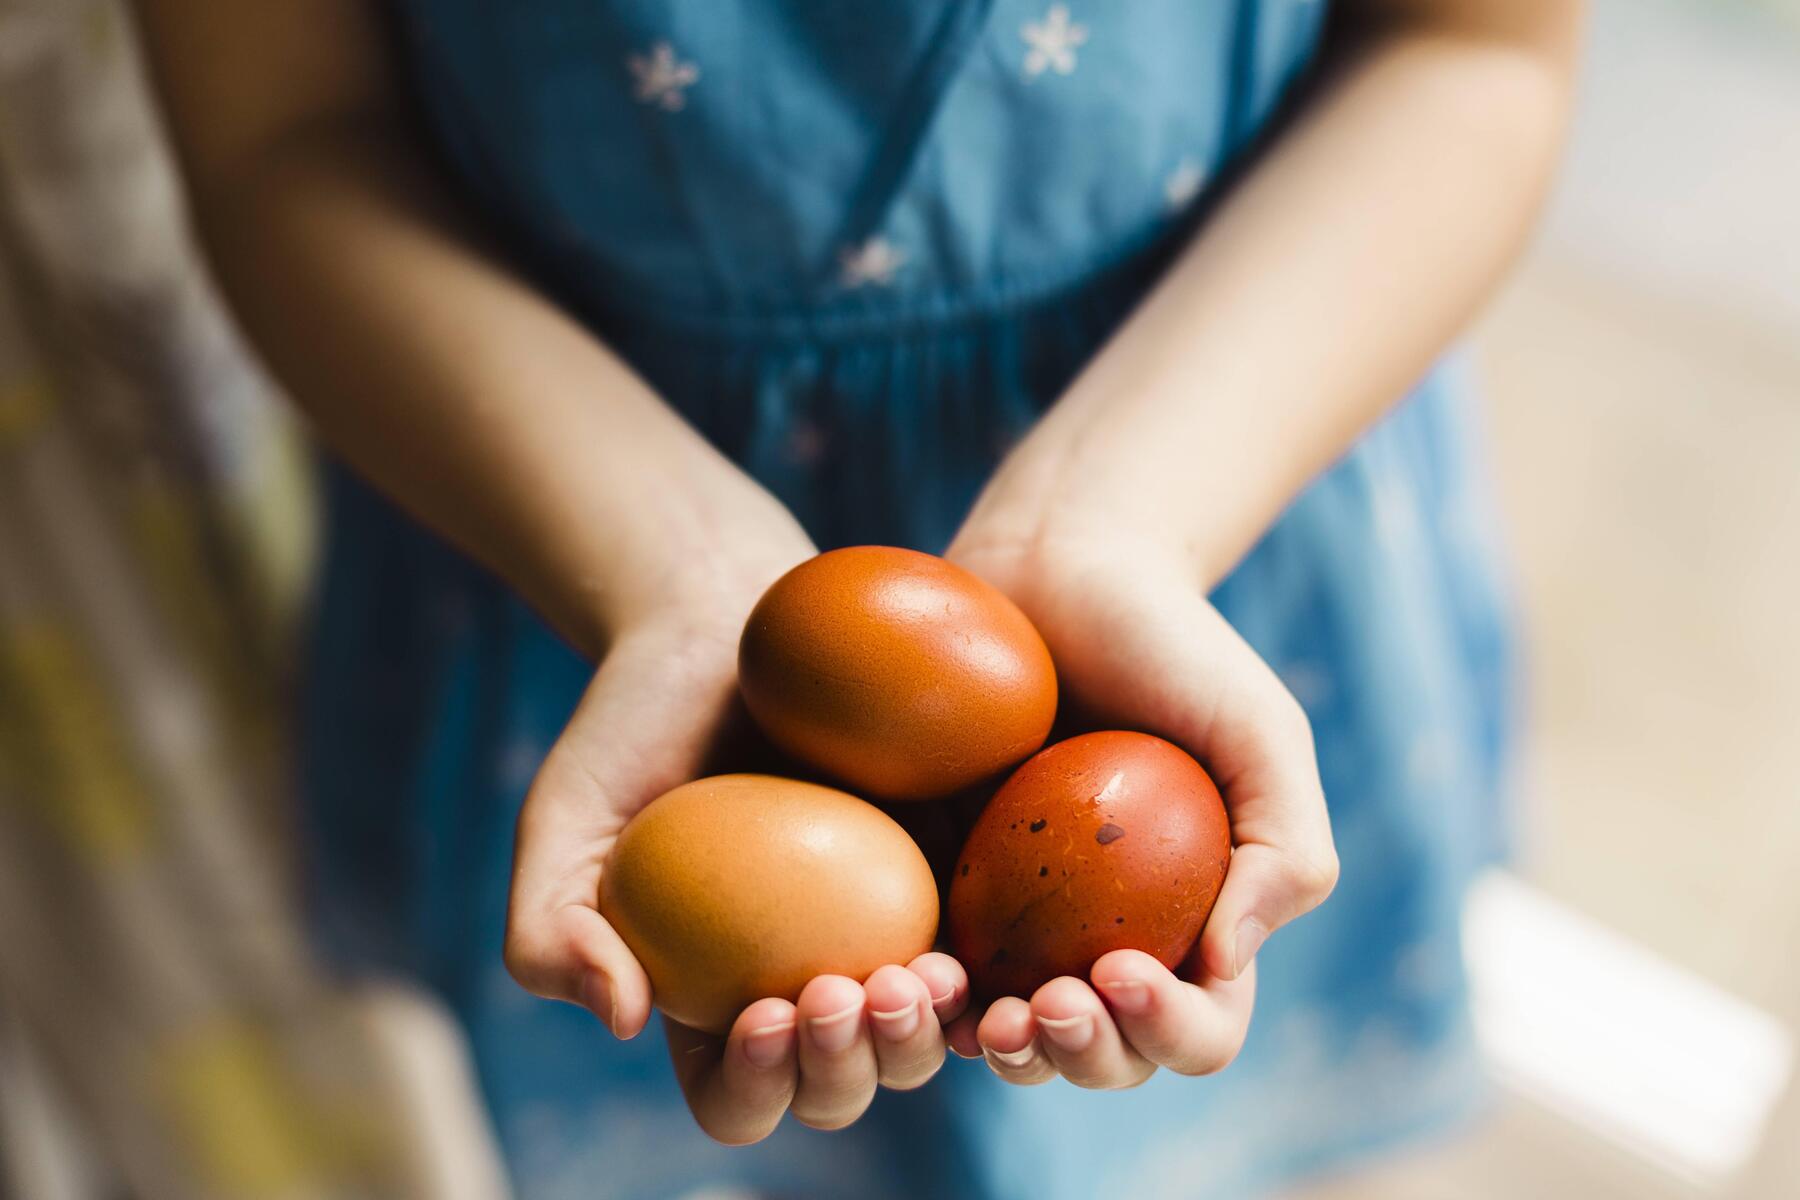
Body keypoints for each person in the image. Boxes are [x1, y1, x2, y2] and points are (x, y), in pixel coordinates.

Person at [137, 1, 1579, 1196]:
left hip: (1218, 432)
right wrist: (669, 569)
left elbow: (1471, 48)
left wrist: (1114, 526)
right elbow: (285, 136)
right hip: (566, 500)